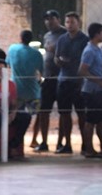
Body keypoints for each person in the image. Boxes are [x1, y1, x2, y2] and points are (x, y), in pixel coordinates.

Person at [78, 22, 102, 157]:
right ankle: (89, 149)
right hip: (92, 91)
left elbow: (96, 67)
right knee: (91, 121)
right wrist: (99, 81)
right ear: (97, 34)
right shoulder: (89, 51)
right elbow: (82, 71)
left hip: (100, 90)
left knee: (101, 121)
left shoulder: (97, 49)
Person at [54, 12, 88, 154]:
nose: (69, 25)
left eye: (72, 22)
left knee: (82, 114)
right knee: (65, 113)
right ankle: (67, 144)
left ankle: (86, 144)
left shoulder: (84, 40)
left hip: (79, 81)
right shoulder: (62, 39)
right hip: (64, 80)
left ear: (78, 23)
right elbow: (56, 57)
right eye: (67, 22)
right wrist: (59, 61)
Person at [33, 9, 66, 152]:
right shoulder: (46, 35)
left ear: (58, 19)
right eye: (47, 19)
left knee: (63, 112)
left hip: (62, 78)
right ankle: (44, 142)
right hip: (48, 78)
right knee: (44, 111)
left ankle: (60, 142)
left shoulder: (65, 34)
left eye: (52, 18)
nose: (49, 21)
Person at [7, 29, 44, 128]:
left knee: (15, 115)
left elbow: (8, 65)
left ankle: (17, 137)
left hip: (16, 90)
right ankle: (34, 138)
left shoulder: (12, 49)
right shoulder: (37, 54)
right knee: (39, 115)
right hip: (32, 91)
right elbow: (41, 72)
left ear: (20, 38)